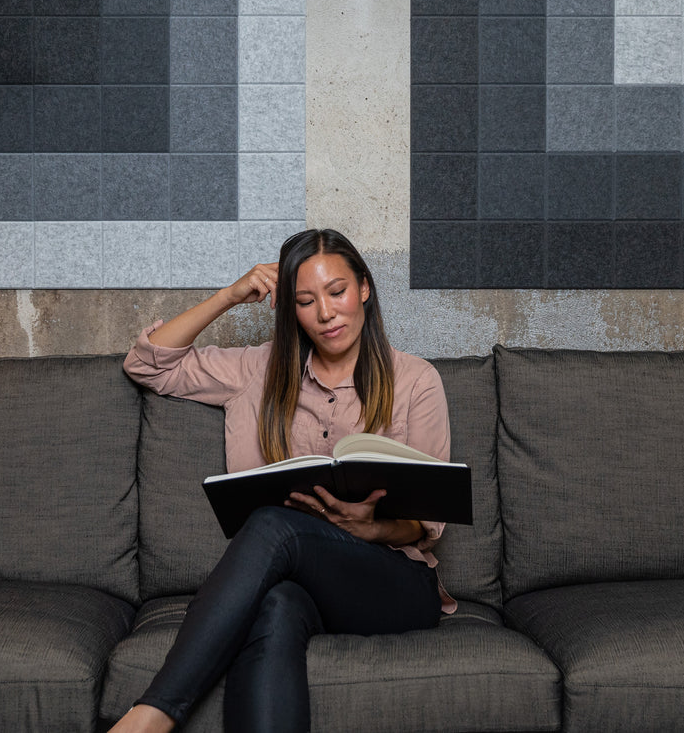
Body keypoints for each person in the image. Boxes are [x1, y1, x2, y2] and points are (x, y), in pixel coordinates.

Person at [109, 228, 456, 733]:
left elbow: (428, 523)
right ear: (290, 310)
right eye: (306, 301)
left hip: (393, 582)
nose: (326, 313)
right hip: (299, 584)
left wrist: (374, 528)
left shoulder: (416, 380)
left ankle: (152, 716)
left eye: (337, 292)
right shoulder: (260, 369)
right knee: (275, 604)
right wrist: (229, 295)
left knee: (275, 524)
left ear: (364, 288)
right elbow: (146, 365)